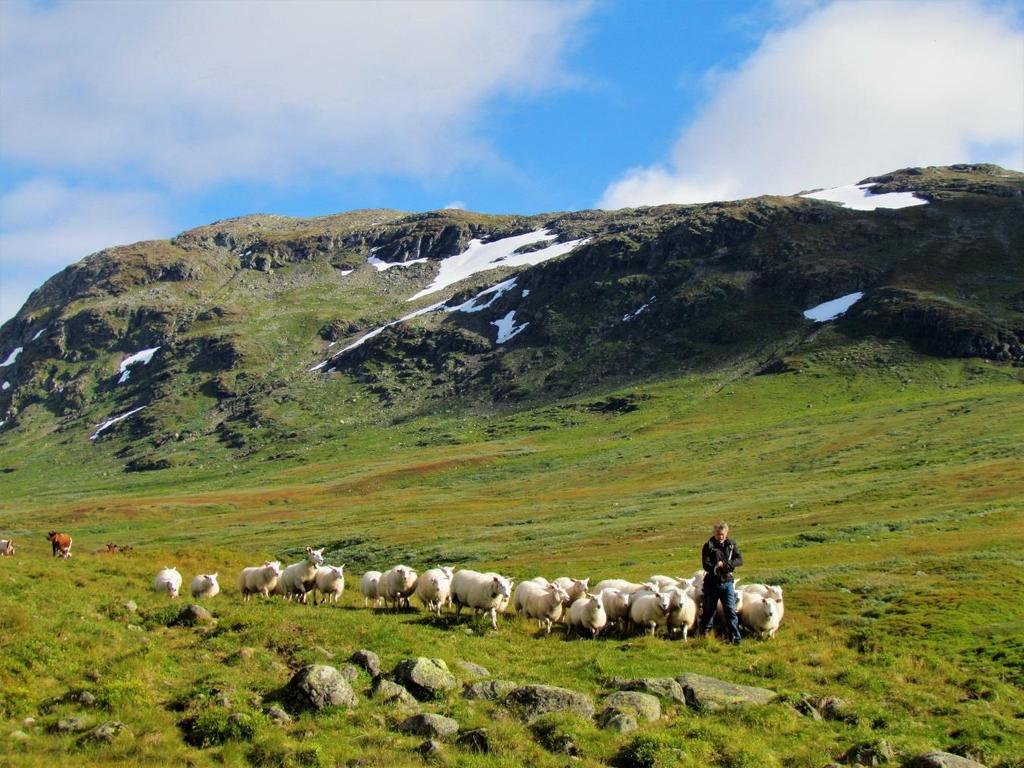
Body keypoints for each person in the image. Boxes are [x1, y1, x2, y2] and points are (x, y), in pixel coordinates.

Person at [698, 521, 743, 644]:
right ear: (714, 534)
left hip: (727, 582)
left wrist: (726, 565)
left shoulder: (731, 545)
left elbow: (739, 560)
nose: (720, 537)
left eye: (722, 534)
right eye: (718, 534)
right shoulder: (708, 546)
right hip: (712, 583)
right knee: (709, 611)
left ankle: (736, 638)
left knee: (730, 611)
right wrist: (716, 567)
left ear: (726, 533)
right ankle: (705, 638)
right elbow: (706, 565)